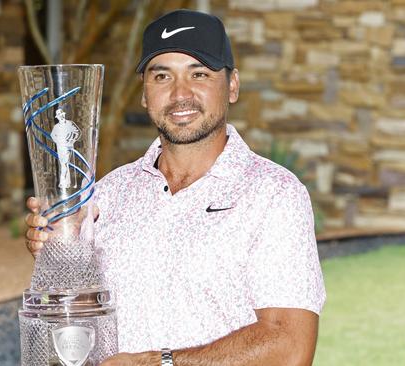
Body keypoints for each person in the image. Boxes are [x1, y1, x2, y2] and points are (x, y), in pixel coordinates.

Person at [25, 9, 326, 366]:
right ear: (145, 94)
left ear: (232, 86)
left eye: (199, 73)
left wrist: (158, 362)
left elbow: (289, 348)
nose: (180, 93)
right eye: (162, 76)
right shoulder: (109, 194)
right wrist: (62, 254)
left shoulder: (274, 195)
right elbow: (86, 325)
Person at [51, 108, 80, 189]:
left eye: (62, 114)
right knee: (63, 164)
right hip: (60, 147)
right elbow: (52, 135)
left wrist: (72, 140)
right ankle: (67, 183)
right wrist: (58, 141)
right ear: (57, 117)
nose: (61, 116)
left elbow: (77, 132)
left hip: (68, 147)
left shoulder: (70, 123)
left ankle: (63, 182)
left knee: (65, 164)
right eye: (59, 115)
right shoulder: (56, 126)